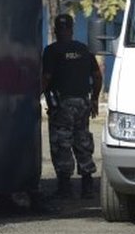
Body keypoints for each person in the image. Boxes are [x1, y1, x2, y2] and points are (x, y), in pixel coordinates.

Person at [42, 13, 103, 199]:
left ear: (55, 29)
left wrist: (33, 96)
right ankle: (87, 185)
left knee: (62, 144)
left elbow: (46, 78)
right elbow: (97, 76)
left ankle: (65, 187)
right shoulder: (84, 50)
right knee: (82, 140)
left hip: (62, 105)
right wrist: (94, 99)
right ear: (72, 29)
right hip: (82, 103)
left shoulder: (52, 51)